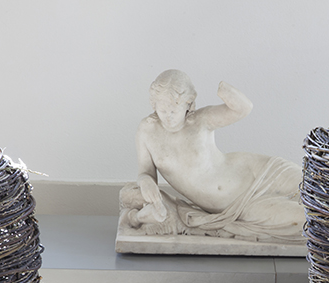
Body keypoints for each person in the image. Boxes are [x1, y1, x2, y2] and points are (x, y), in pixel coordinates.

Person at [119, 69, 305, 243]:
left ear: (188, 104)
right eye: (162, 110)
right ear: (154, 105)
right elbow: (145, 172)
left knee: (316, 187)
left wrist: (224, 89)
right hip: (237, 208)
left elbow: (243, 108)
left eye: (174, 111)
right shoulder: (147, 131)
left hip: (260, 171)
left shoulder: (200, 120)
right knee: (308, 219)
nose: (168, 116)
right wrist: (146, 181)